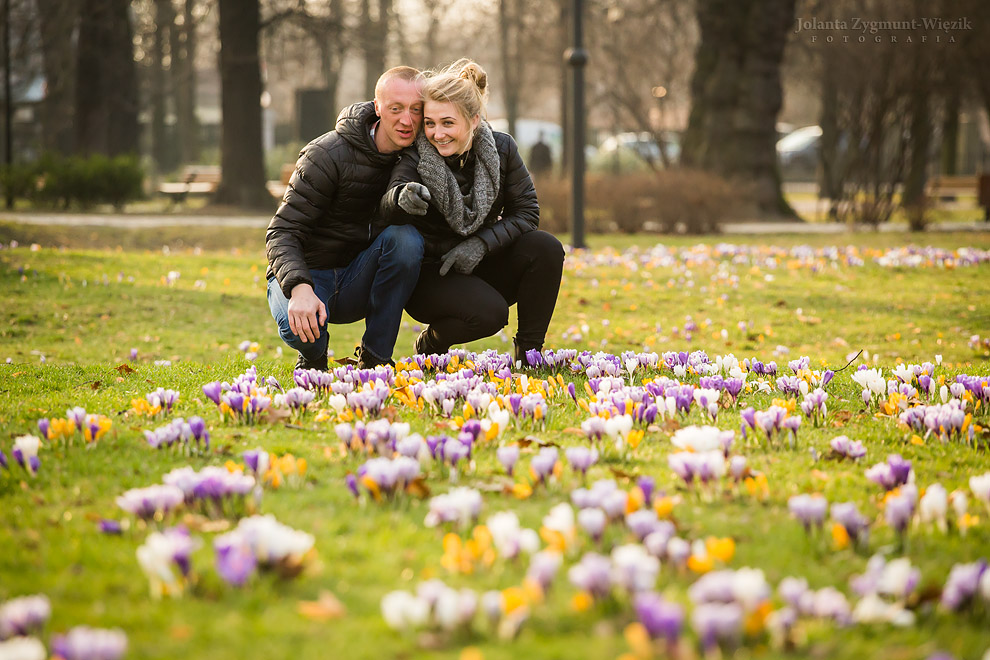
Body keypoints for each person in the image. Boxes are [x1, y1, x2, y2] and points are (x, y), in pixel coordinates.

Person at [378, 59, 564, 365]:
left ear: (474, 120)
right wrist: (400, 199)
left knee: (545, 247)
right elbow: (390, 200)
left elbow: (527, 212)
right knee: (491, 314)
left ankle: (529, 356)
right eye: (430, 123)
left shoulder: (502, 149)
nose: (437, 134)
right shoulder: (415, 155)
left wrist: (481, 244)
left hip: (481, 260)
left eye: (448, 123)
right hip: (431, 273)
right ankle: (431, 342)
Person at [266, 66, 426, 372]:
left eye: (415, 110)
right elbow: (282, 232)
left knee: (406, 240)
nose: (407, 120)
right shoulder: (326, 154)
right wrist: (299, 288)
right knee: (299, 327)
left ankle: (376, 359)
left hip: (359, 276)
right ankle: (313, 358)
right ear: (377, 107)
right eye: (396, 109)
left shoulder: (420, 158)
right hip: (309, 275)